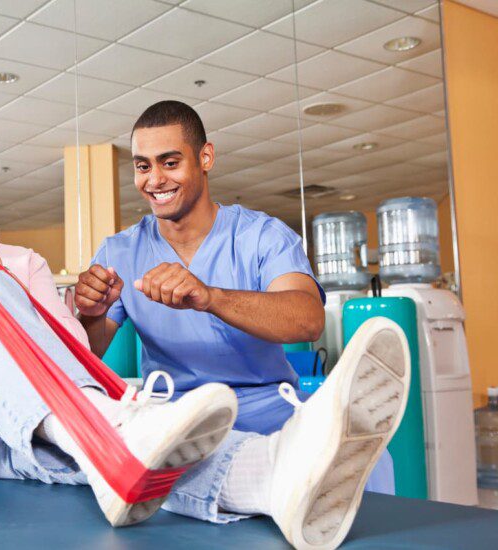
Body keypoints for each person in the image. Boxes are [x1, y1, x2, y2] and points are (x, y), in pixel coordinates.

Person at [0, 106, 410, 550]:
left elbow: (70, 366)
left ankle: (266, 476)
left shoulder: (20, 262)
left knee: (98, 442)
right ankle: (119, 430)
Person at [75, 101, 394, 493]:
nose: (154, 179)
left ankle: (335, 417)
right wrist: (90, 314)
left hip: (265, 410)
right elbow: (84, 356)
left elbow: (308, 319)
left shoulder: (263, 235)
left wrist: (209, 296)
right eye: (143, 166)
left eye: (170, 162)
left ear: (205, 157)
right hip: (173, 416)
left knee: (372, 465)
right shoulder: (117, 252)